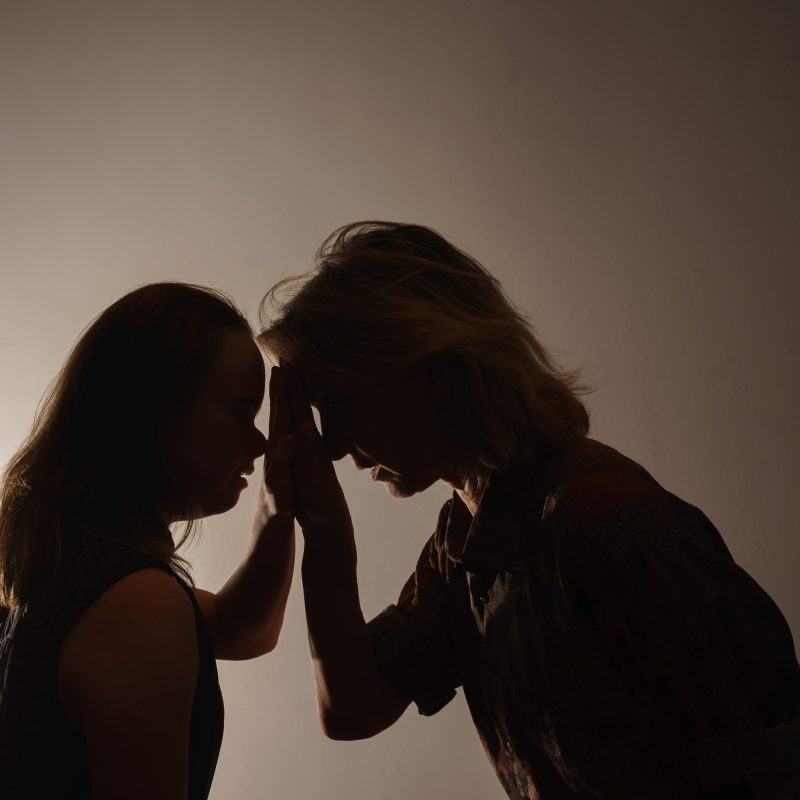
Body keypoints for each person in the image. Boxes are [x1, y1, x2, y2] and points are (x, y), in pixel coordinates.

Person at [258, 221, 800, 800]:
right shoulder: (463, 542)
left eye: (337, 403)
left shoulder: (599, 522)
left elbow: (776, 758)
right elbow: (351, 707)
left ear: (435, 371)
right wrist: (319, 525)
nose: (332, 445)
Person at [0, 283, 296, 800]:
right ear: (155, 409)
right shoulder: (135, 604)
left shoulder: (67, 562)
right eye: (242, 412)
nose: (260, 442)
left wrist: (277, 501)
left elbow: (242, 629)